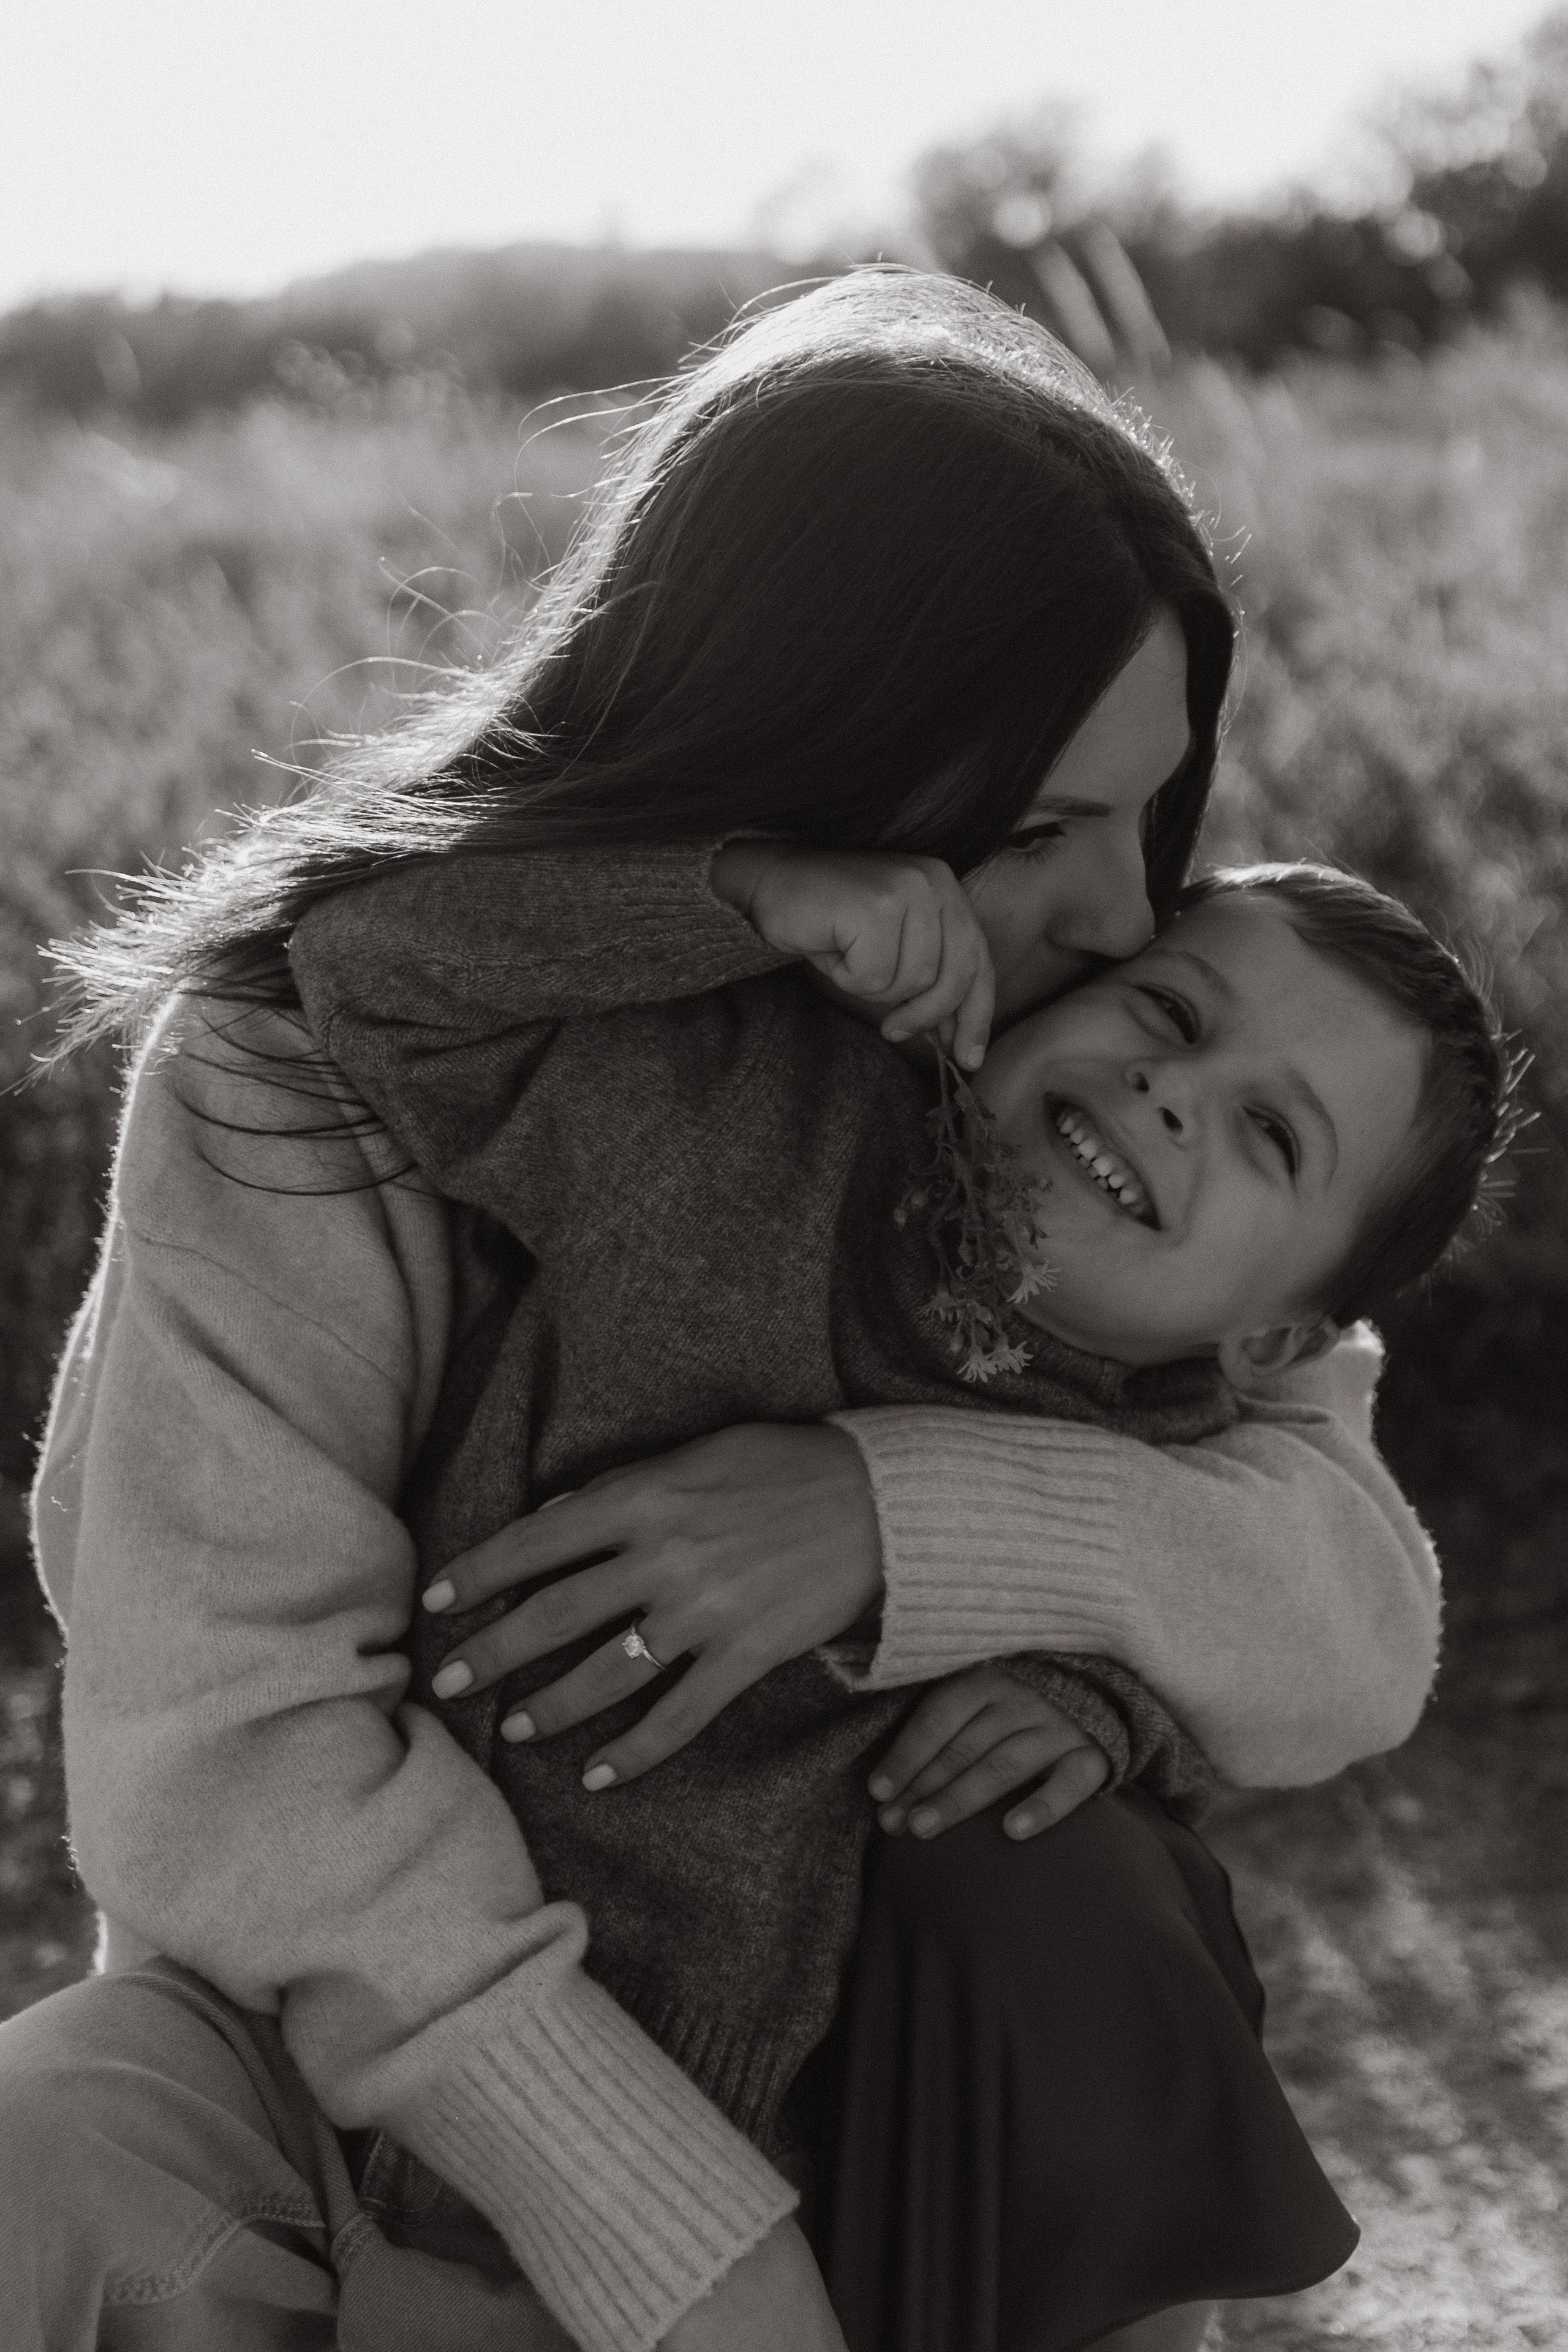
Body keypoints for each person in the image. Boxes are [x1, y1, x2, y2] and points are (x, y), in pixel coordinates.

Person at [1, 274, 1442, 2352]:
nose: (1130, 912)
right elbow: (232, 1762)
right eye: (1041, 827)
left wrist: (890, 1517)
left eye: (1154, 807)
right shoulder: (295, 1070)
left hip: (841, 2114)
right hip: (386, 2110)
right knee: (51, 2143)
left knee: (1067, 1880)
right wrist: (675, 2246)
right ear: (794, 750)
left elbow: (1340, 1596)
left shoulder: (1056, 1080)